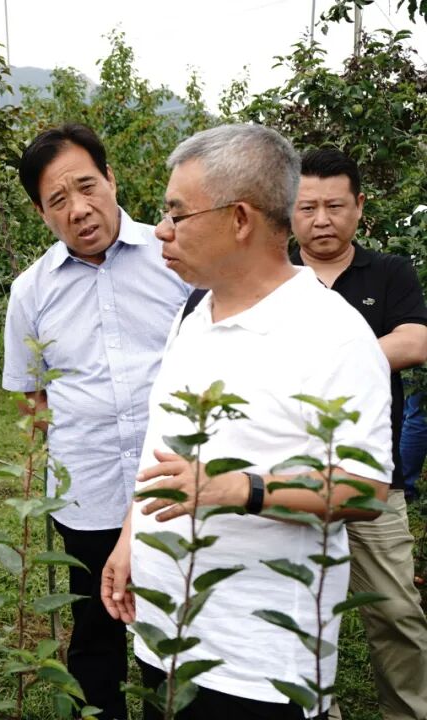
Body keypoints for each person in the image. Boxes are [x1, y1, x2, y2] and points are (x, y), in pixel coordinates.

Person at [101, 124, 393, 720]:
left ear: (239, 219)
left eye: (177, 213)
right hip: (164, 628)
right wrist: (132, 539)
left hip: (257, 664)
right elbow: (164, 442)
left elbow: (366, 489)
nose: (161, 230)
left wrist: (239, 488)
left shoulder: (332, 334)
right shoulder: (195, 313)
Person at [2, 122, 192, 719]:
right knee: (94, 633)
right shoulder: (31, 291)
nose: (79, 209)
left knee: (173, 632)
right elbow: (31, 396)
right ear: (41, 212)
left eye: (87, 186)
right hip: (87, 491)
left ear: (111, 178)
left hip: (174, 484)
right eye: (58, 200)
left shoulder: (175, 258)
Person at [290, 147, 427, 720]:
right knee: (295, 612)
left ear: (359, 206)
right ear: (288, 209)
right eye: (307, 207)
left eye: (335, 206)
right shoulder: (273, 275)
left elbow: (414, 342)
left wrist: (319, 364)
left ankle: (409, 711)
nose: (321, 220)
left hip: (374, 479)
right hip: (287, 480)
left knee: (396, 612)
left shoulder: (390, 272)